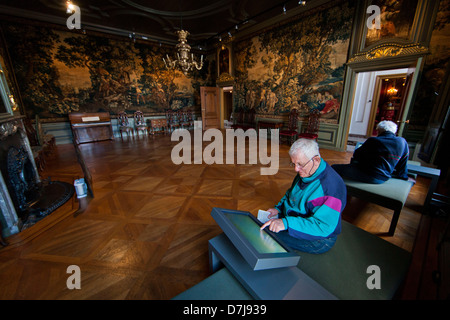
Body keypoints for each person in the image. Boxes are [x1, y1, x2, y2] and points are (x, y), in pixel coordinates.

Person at [260, 138, 347, 254]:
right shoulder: (307, 171)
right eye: (294, 163)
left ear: (316, 160)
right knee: (263, 226)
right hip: (297, 219)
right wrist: (278, 209)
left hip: (319, 239)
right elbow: (290, 194)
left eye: (300, 164)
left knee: (265, 235)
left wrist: (286, 223)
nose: (296, 169)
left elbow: (323, 228)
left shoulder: (330, 188)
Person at [332, 120, 409, 184]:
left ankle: (338, 189)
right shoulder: (402, 141)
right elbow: (403, 162)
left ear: (378, 131)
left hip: (369, 175)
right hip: (385, 177)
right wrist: (403, 176)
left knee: (334, 167)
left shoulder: (374, 140)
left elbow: (357, 155)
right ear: (394, 131)